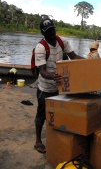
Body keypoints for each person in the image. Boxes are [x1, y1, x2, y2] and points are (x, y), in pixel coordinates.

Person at [34, 17, 84, 153]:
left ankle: (57, 139)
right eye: (47, 31)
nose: (51, 32)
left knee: (60, 114)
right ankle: (38, 141)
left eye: (52, 29)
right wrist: (52, 76)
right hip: (45, 88)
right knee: (42, 115)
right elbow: (42, 71)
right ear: (42, 32)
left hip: (61, 86)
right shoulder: (40, 48)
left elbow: (73, 57)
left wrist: (90, 62)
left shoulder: (62, 42)